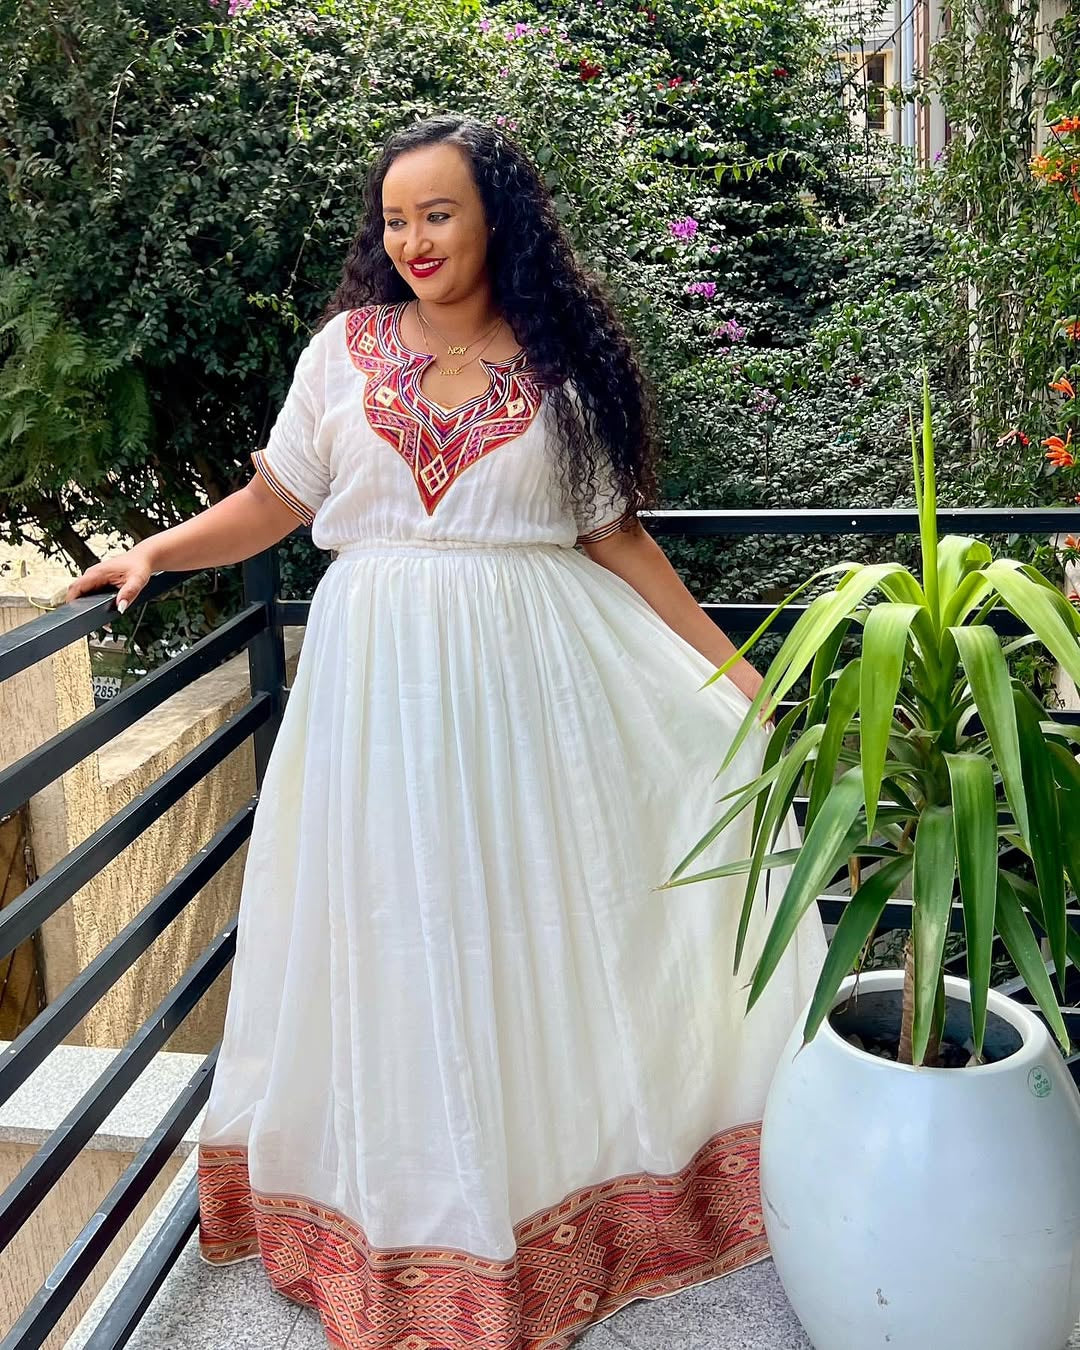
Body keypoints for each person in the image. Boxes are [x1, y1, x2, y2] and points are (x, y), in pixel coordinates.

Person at [68, 113, 826, 1350]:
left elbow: (614, 539)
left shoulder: (563, 372)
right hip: (373, 707)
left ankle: (542, 1217)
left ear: (496, 221)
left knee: (518, 932)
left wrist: (739, 680)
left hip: (533, 710)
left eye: (440, 212)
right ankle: (401, 1219)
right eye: (396, 218)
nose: (413, 238)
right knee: (391, 929)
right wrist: (154, 549)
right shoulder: (343, 352)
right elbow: (276, 500)